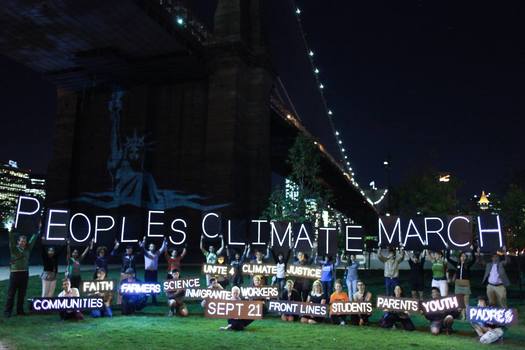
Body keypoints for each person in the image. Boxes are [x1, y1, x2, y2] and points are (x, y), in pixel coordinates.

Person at [4, 225, 40, 317]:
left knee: (22, 294)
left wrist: (37, 230)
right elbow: (11, 241)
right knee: (11, 294)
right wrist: (10, 231)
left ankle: (20, 311)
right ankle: (8, 312)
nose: (23, 242)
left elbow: (33, 241)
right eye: (21, 241)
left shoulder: (27, 249)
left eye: (24, 241)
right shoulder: (14, 249)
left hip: (24, 273)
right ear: (18, 242)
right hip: (15, 274)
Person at [446, 247, 476, 318]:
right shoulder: (457, 264)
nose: (463, 257)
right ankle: (463, 316)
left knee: (466, 302)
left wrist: (472, 250)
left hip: (466, 284)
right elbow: (448, 258)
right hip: (458, 285)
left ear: (466, 257)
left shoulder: (467, 265)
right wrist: (448, 249)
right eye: (462, 256)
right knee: (460, 302)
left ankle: (467, 315)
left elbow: (474, 259)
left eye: (464, 256)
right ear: (459, 257)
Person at [111, 240, 142, 304]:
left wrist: (141, 246)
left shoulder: (134, 255)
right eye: (128, 249)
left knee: (133, 288)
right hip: (124, 273)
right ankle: (120, 302)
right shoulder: (123, 255)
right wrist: (116, 246)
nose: (129, 250)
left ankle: (132, 301)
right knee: (122, 287)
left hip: (133, 274)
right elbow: (113, 254)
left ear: (132, 250)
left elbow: (142, 253)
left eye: (130, 249)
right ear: (126, 250)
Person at [140, 236, 167, 305]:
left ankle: (154, 300)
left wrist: (164, 241)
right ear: (149, 247)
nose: (152, 247)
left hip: (154, 272)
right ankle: (145, 299)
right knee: (147, 285)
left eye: (153, 246)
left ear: (155, 248)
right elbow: (142, 248)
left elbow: (162, 248)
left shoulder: (157, 253)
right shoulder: (147, 253)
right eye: (151, 246)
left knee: (154, 285)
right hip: (147, 272)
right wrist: (144, 240)